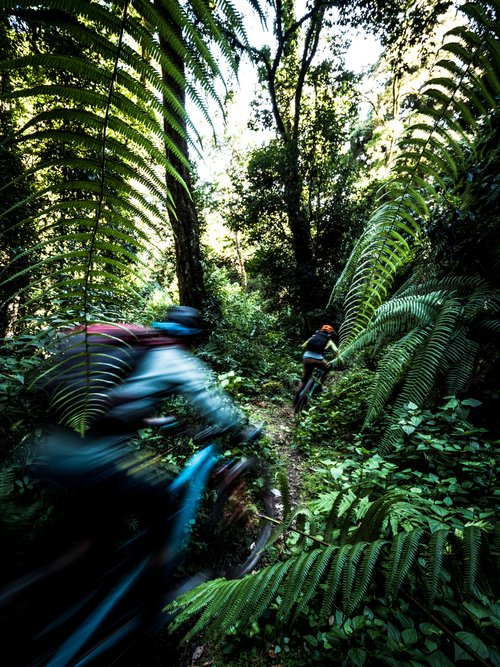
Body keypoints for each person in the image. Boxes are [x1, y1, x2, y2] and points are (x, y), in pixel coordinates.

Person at [14, 306, 256, 662]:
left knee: (88, 538)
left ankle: (37, 602)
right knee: (163, 502)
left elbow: (118, 399)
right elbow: (212, 405)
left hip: (56, 452)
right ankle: (151, 606)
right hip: (96, 461)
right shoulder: (175, 358)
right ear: (191, 338)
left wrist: (157, 420)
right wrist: (241, 427)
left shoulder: (130, 344)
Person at [294, 324, 338, 404]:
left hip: (306, 357)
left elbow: (303, 345)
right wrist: (335, 357)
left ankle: (297, 396)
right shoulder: (328, 340)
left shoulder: (314, 336)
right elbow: (336, 351)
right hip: (318, 359)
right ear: (330, 333)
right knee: (327, 368)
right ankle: (319, 386)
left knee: (304, 378)